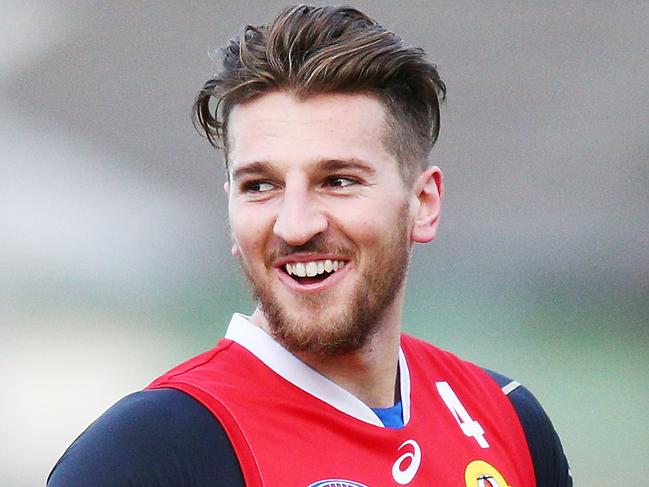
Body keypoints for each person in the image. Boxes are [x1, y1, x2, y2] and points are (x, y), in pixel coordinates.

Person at [48, 5, 572, 486]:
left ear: (423, 202)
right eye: (261, 186)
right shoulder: (148, 456)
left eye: (338, 180)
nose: (294, 225)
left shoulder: (508, 421)